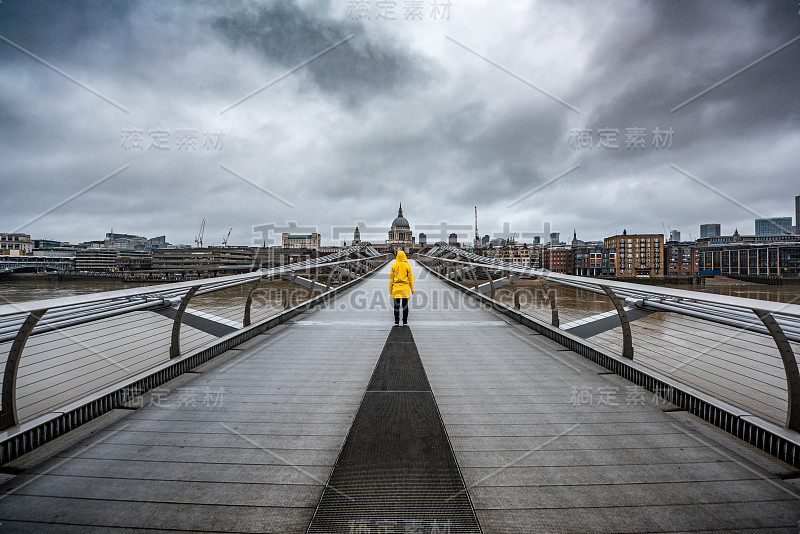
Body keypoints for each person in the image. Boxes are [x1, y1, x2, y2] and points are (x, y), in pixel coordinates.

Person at [389, 250, 414, 326]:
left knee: (396, 306)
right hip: (405, 288)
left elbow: (391, 279)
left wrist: (390, 289)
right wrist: (412, 289)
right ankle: (405, 321)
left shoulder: (393, 265)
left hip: (396, 288)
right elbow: (410, 278)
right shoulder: (408, 265)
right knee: (405, 305)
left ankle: (396, 321)